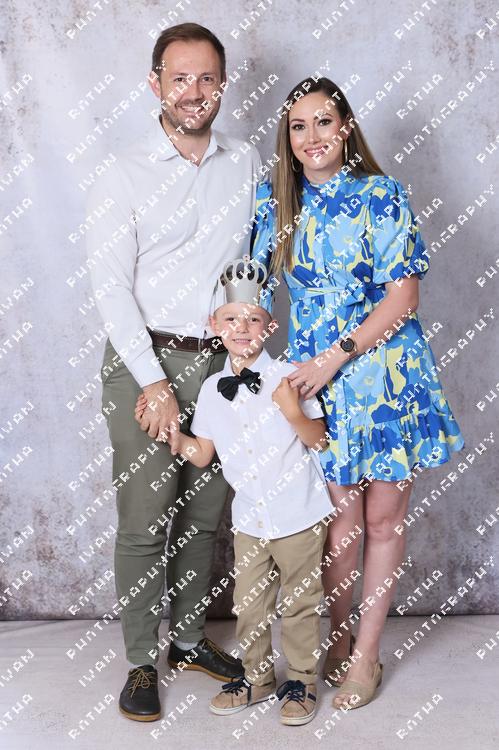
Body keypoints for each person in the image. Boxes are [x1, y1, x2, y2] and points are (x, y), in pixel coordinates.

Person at [250, 76, 465, 710]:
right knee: (339, 524)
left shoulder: (382, 194)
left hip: (387, 374)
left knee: (382, 519)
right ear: (287, 139)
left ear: (345, 128)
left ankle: (367, 655)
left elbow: (405, 296)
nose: (312, 136)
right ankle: (338, 637)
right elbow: (250, 290)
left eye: (324, 121)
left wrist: (336, 354)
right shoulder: (273, 202)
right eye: (298, 126)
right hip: (317, 385)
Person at [85, 23, 261, 721]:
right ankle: (139, 660)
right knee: (144, 519)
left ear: (223, 85)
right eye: (180, 77)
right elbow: (110, 288)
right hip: (144, 365)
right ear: (154, 83)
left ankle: (188, 642)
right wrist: (153, 382)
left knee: (205, 516)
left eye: (207, 78)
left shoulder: (244, 160)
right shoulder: (121, 171)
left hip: (219, 367)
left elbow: (248, 263)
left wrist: (246, 348)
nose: (194, 91)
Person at [135, 254, 335, 726]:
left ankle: (302, 681)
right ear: (215, 325)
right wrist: (170, 436)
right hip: (249, 519)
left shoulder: (291, 376)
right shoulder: (212, 389)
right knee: (250, 604)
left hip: (298, 513)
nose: (241, 328)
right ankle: (257, 678)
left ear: (270, 326)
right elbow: (203, 453)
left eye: (253, 319)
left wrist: (292, 411)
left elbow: (319, 440)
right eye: (231, 319)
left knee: (300, 603)